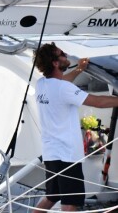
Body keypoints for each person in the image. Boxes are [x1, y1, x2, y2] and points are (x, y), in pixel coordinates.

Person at [33, 42, 118, 212]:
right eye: (62, 54)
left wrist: (79, 69)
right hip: (67, 155)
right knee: (70, 202)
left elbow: (61, 82)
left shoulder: (42, 84)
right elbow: (98, 102)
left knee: (52, 196)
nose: (66, 56)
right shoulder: (63, 88)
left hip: (51, 154)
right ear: (55, 63)